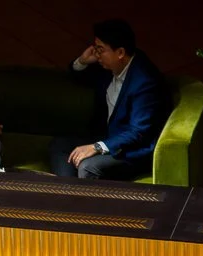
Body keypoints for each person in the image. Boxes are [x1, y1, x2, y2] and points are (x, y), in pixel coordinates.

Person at [56, 18, 168, 183]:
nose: (97, 54)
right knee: (60, 145)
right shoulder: (109, 66)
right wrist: (83, 61)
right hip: (107, 136)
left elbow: (138, 132)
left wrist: (97, 147)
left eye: (101, 49)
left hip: (132, 151)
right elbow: (79, 78)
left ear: (120, 52)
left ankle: (81, 204)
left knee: (88, 166)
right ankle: (67, 192)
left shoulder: (145, 82)